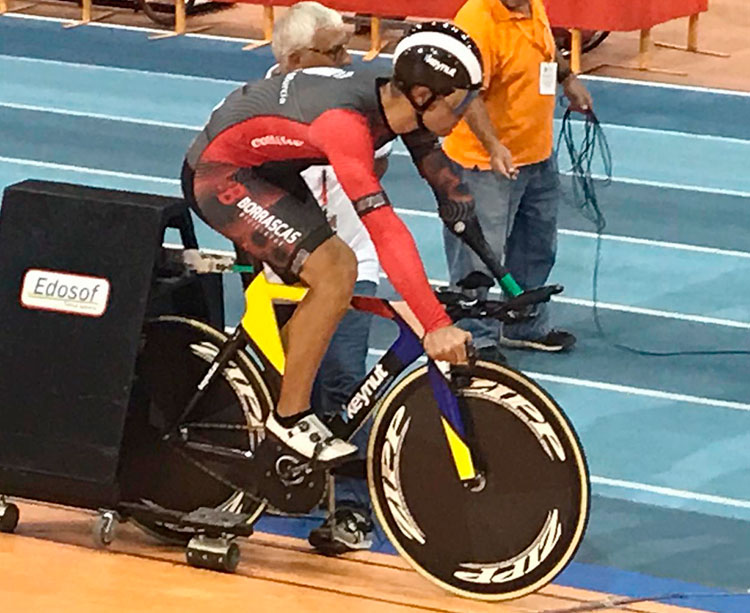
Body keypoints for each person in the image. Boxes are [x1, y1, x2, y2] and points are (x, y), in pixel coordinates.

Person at [182, 20, 493, 467]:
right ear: (423, 96)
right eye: (463, 100)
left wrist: (504, 279)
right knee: (336, 270)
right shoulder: (346, 125)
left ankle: (271, 393)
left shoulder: (399, 103)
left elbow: (451, 192)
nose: (467, 112)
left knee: (327, 282)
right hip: (221, 174)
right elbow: (383, 227)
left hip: (269, 168)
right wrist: (435, 322)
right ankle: (288, 420)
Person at [265, 2, 387, 553]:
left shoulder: (353, 100)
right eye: (334, 51)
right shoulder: (261, 106)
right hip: (283, 272)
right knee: (293, 388)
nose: (347, 60)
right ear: (294, 58)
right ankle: (288, 485)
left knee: (346, 389)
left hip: (353, 265)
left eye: (347, 49)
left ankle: (352, 510)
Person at [442, 0, 593, 358]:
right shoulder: (478, 19)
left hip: (536, 155)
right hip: (484, 164)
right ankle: (473, 336)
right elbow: (467, 93)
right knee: (478, 258)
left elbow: (544, 46)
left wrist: (567, 79)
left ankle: (522, 322)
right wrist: (493, 146)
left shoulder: (531, 7)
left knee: (536, 247)